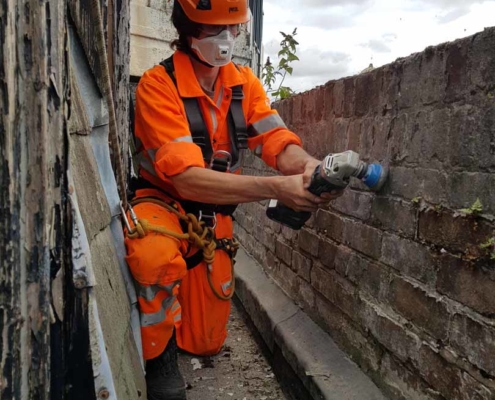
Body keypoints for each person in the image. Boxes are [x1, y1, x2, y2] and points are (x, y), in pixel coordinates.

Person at [125, 0, 342, 399]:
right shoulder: (158, 86)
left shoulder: (244, 84)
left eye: (233, 29)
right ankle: (158, 359)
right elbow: (187, 181)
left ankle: (183, 323)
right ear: (188, 30)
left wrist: (308, 167)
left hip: (212, 214)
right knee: (153, 257)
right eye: (213, 30)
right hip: (163, 202)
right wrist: (276, 188)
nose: (226, 40)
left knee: (206, 341)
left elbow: (276, 142)